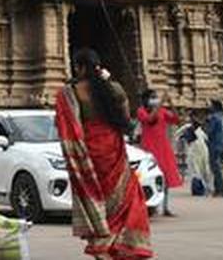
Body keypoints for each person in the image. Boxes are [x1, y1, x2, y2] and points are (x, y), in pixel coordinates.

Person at [55, 48, 152, 259]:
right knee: (125, 198)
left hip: (89, 150)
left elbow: (69, 125)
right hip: (113, 148)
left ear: (80, 68)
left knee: (97, 200)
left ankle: (102, 245)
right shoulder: (113, 88)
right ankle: (124, 245)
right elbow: (125, 116)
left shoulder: (71, 92)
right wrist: (108, 81)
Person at [136, 89, 182, 216]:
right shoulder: (141, 111)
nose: (155, 99)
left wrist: (171, 103)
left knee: (165, 178)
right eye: (152, 97)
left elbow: (177, 120)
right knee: (148, 177)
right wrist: (161, 103)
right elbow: (149, 120)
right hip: (149, 149)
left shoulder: (162, 111)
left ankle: (165, 207)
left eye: (155, 97)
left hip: (163, 147)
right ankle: (150, 206)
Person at [175, 111, 212, 196]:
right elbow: (177, 135)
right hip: (193, 150)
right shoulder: (187, 127)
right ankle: (198, 189)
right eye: (193, 117)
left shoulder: (201, 129)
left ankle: (207, 187)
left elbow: (206, 139)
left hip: (203, 150)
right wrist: (184, 137)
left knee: (205, 169)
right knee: (195, 170)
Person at [205, 100, 223, 198]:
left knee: (216, 169)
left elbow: (210, 131)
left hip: (215, 145)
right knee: (216, 168)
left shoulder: (214, 118)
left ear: (215, 107)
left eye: (211, 106)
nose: (209, 107)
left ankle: (222, 190)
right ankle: (218, 190)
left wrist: (205, 126)